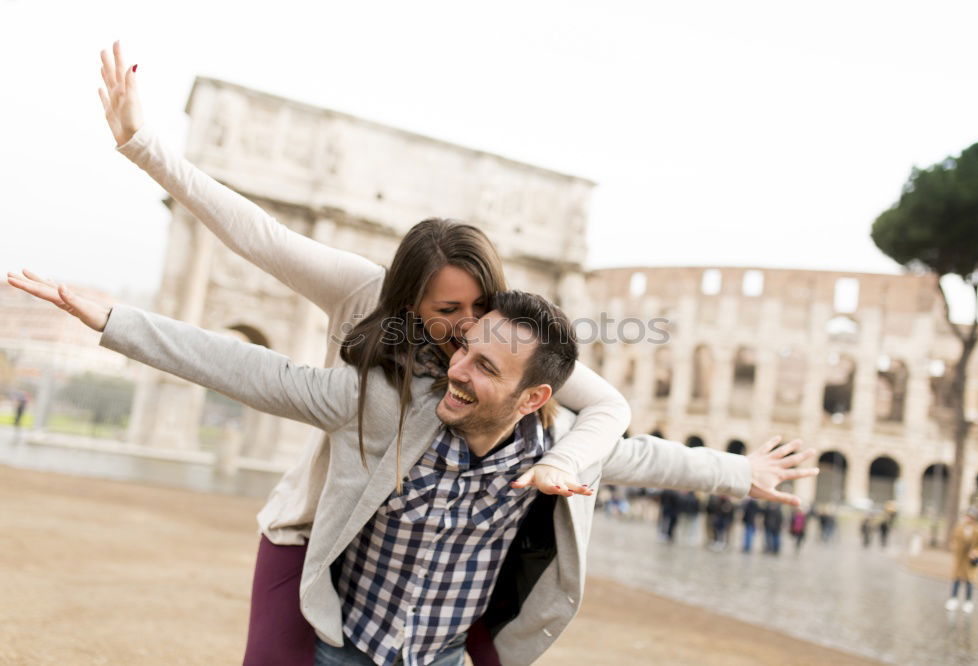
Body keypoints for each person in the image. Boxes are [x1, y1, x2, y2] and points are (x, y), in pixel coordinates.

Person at [94, 41, 631, 666]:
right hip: (318, 519)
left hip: (421, 557)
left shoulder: (506, 337)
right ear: (407, 302)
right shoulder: (362, 292)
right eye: (445, 311)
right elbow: (259, 238)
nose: (467, 330)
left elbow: (608, 410)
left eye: (478, 307)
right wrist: (143, 146)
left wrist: (562, 461)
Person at [8, 276, 819, 666]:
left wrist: (737, 474)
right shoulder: (390, 409)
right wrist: (114, 319)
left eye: (485, 367)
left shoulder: (553, 456)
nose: (458, 369)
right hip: (343, 649)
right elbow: (252, 370)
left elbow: (646, 457)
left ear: (536, 395)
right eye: (462, 347)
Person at [945, 507, 978, 614]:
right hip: (960, 558)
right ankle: (953, 599)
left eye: (971, 517)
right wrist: (954, 547)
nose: (968, 518)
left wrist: (976, 552)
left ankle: (968, 601)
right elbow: (954, 539)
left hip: (970, 560)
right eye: (967, 516)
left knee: (969, 581)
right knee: (956, 579)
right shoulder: (960, 527)